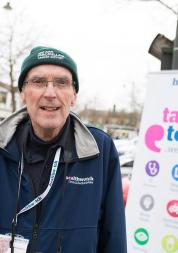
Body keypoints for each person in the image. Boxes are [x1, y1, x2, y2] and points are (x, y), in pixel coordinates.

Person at [0, 46, 127, 253]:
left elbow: (114, 237)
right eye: (38, 82)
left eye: (61, 83)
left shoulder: (99, 149)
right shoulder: (2, 149)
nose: (50, 93)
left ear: (74, 96)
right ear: (23, 93)